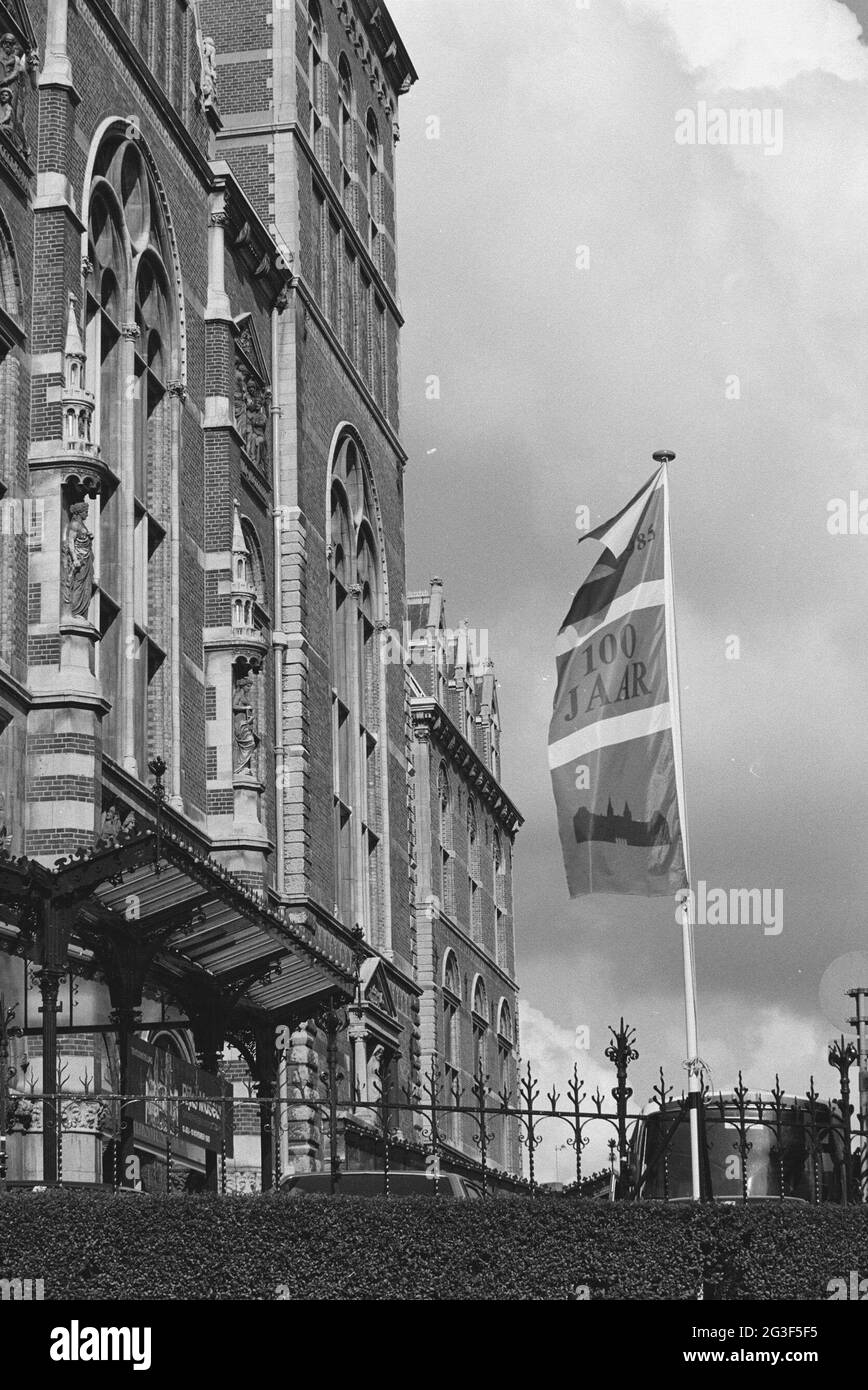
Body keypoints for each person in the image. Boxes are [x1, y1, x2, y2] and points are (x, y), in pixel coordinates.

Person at [62, 502, 94, 618]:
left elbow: (82, 538)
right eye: (86, 512)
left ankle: (80, 611)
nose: (87, 515)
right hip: (80, 559)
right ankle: (74, 611)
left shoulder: (82, 525)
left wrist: (89, 536)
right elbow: (71, 542)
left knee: (85, 584)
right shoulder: (75, 524)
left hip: (86, 558)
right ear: (80, 513)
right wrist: (75, 559)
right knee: (78, 584)